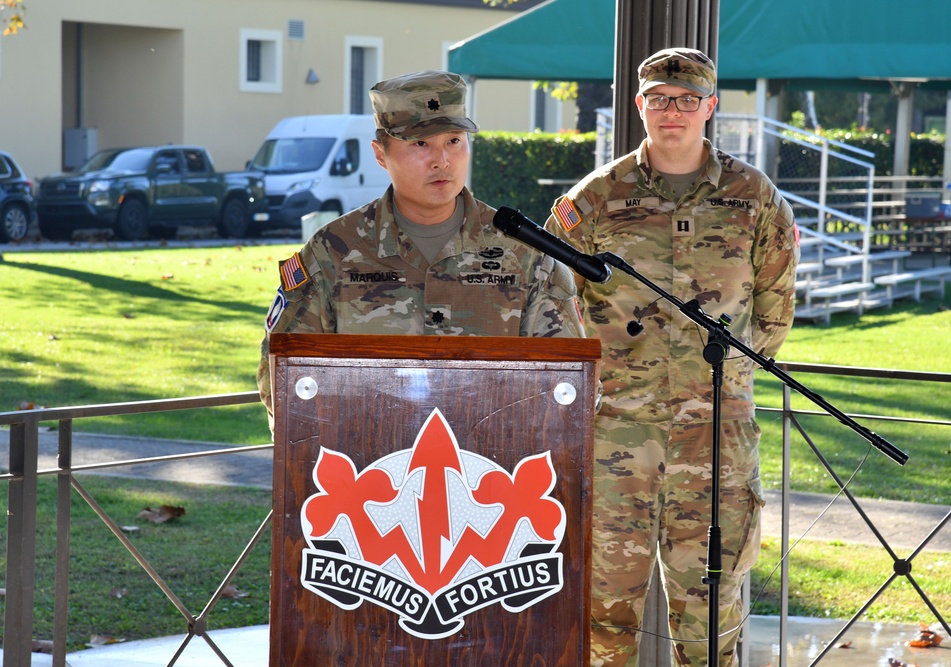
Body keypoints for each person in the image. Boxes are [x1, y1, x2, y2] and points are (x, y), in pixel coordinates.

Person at [543, 48, 799, 666]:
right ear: (639, 106)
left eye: (688, 100)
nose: (673, 111)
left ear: (711, 107)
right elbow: (548, 298)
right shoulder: (596, 200)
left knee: (712, 610)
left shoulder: (752, 196)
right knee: (602, 608)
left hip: (717, 436)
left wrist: (726, 378)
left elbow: (775, 305)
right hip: (615, 436)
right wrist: (601, 376)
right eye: (659, 98)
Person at [258, 69, 585, 427]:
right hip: (367, 468)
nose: (441, 160)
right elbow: (283, 376)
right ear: (381, 154)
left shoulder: (523, 253)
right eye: (420, 144)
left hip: (492, 469)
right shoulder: (333, 250)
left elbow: (566, 387)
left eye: (454, 141)